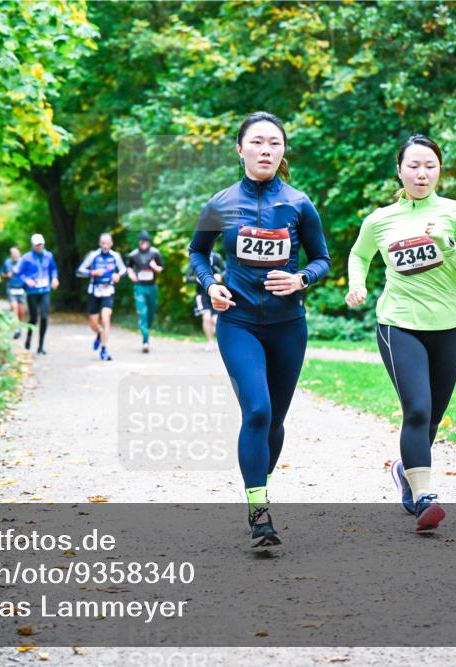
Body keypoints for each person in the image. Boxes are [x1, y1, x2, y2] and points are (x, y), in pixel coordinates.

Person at [188, 111, 330, 548]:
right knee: (257, 411)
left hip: (289, 326)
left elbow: (322, 259)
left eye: (274, 143)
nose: (266, 150)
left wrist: (300, 279)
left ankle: (256, 484)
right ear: (240, 149)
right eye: (257, 142)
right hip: (239, 323)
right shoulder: (221, 203)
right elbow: (197, 253)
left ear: (283, 150)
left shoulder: (299, 203)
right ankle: (259, 512)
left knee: (275, 422)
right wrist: (211, 285)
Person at [345, 134, 456, 532]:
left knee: (433, 419)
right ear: (400, 170)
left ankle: (405, 471)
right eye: (413, 166)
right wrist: (357, 283)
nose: (421, 173)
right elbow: (359, 253)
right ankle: (426, 497)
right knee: (418, 409)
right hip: (398, 323)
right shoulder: (381, 219)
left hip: (447, 326)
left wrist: (447, 244)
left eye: (430, 166)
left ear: (440, 169)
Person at [76, 232, 126, 361]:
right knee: (93, 323)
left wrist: (118, 275)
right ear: (99, 244)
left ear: (111, 244)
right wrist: (93, 272)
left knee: (106, 318)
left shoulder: (115, 256)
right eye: (103, 243)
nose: (105, 245)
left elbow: (123, 270)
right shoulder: (93, 256)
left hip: (108, 291)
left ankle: (104, 349)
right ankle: (99, 333)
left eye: (107, 243)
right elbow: (80, 271)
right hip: (94, 291)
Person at [17, 233, 59, 355]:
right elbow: (20, 273)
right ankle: (28, 339)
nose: (39, 247)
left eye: (40, 244)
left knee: (44, 317)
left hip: (45, 290)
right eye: (36, 245)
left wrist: (55, 278)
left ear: (43, 244)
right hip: (32, 291)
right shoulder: (26, 258)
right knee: (34, 318)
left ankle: (41, 346)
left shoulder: (48, 256)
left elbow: (53, 269)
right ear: (32, 245)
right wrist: (27, 280)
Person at [126, 231, 165, 353]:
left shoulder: (155, 253)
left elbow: (162, 268)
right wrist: (131, 275)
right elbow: (129, 267)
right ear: (139, 242)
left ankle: (145, 326)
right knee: (143, 312)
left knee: (151, 313)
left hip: (152, 287)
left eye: (146, 242)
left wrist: (155, 267)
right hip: (139, 287)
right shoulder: (133, 255)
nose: (144, 244)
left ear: (149, 242)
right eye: (142, 242)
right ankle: (145, 341)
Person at [185, 249, 226, 352]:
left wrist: (220, 275)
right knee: (206, 318)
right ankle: (210, 342)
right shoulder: (196, 258)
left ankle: (218, 342)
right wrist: (196, 279)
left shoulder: (216, 257)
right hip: (202, 293)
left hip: (216, 292)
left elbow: (227, 270)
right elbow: (187, 277)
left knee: (215, 320)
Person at [0, 246, 26, 339]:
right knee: (14, 307)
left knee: (21, 310)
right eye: (12, 254)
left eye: (16, 253)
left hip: (22, 288)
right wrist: (7, 275)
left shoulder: (23, 261)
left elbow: (29, 272)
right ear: (10, 254)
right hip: (11, 288)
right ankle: (16, 328)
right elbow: (1, 274)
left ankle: (20, 325)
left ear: (19, 253)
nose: (14, 255)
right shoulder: (7, 262)